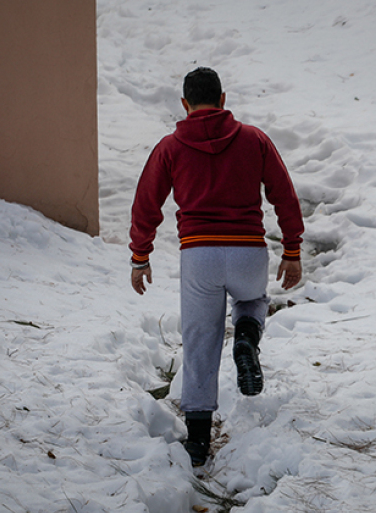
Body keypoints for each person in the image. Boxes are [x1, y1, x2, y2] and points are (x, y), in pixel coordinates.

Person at [128, 67, 304, 467]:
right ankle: (245, 335)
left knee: (200, 341)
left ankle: (197, 441)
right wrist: (291, 250)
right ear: (224, 100)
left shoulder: (170, 148)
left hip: (199, 255)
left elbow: (146, 205)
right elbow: (284, 196)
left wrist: (141, 256)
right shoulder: (255, 140)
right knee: (253, 301)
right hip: (248, 252)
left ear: (185, 104)